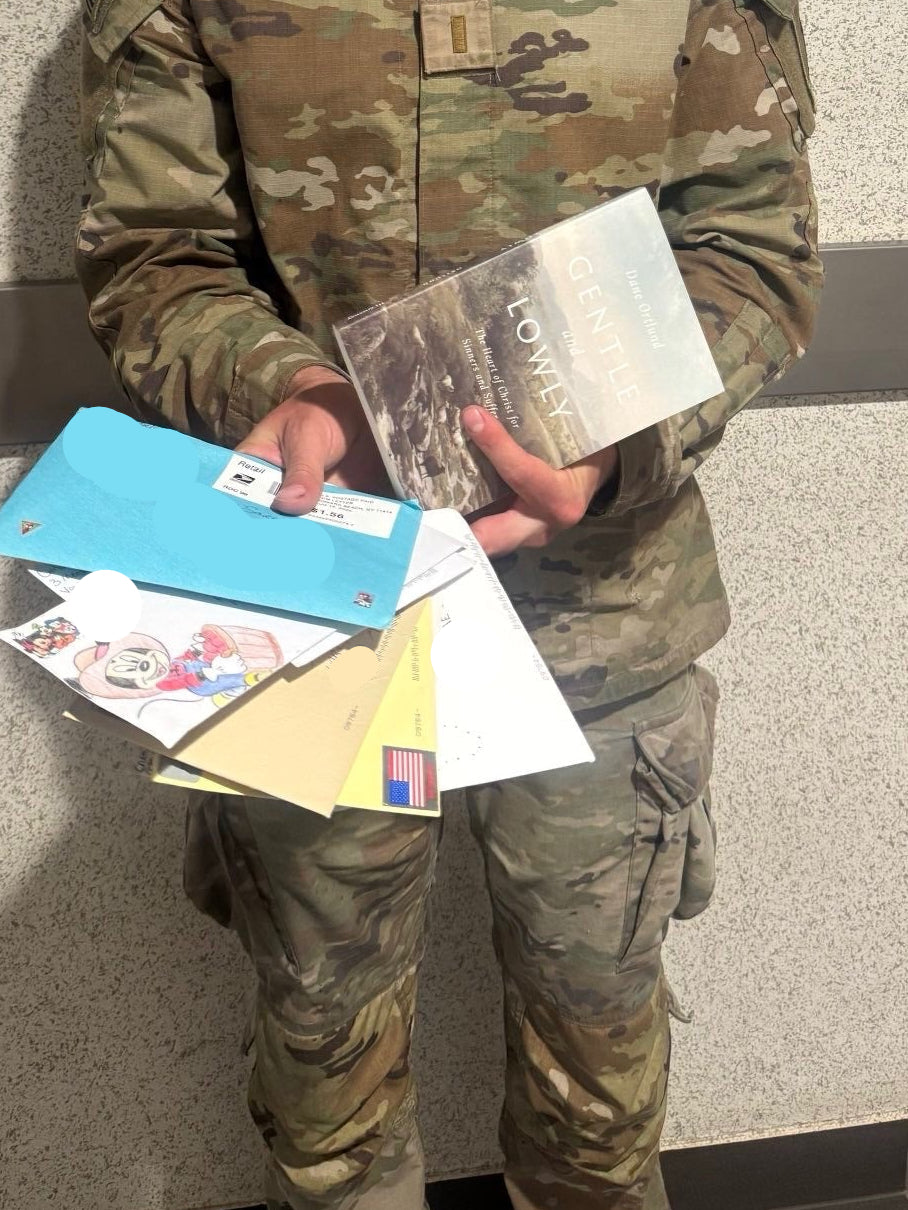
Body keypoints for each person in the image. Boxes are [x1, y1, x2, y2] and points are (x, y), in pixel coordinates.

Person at [76, 0, 822, 1205]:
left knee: (595, 1073)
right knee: (324, 1072)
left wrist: (608, 441)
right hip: (311, 595)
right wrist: (291, 386)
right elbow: (156, 252)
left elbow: (746, 249)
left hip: (604, 609)